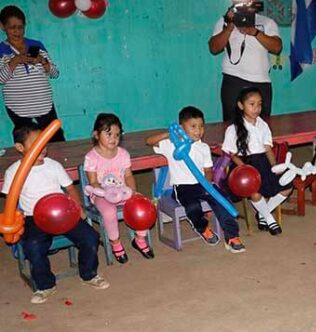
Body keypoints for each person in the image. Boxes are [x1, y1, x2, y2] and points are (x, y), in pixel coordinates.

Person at [3, 125, 109, 304]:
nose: (42, 147)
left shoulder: (54, 166)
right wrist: (11, 221)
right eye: (36, 143)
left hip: (63, 214)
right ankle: (45, 285)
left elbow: (69, 188)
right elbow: (11, 200)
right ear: (20, 148)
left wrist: (78, 207)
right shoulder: (13, 171)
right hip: (33, 217)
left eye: (44, 142)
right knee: (33, 246)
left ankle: (89, 274)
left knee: (90, 237)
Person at [147, 106, 246, 252]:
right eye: (193, 126)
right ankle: (202, 228)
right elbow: (149, 141)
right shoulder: (171, 145)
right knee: (193, 207)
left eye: (201, 126)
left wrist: (207, 183)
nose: (198, 130)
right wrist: (169, 134)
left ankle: (232, 236)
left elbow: (207, 170)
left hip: (202, 184)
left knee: (222, 200)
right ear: (182, 127)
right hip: (183, 187)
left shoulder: (204, 147)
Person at [84, 113, 154, 263]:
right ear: (96, 134)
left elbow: (128, 176)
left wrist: (133, 192)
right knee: (109, 212)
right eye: (108, 134)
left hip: (123, 191)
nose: (113, 138)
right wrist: (106, 193)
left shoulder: (123, 154)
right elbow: (93, 182)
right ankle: (115, 242)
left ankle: (139, 238)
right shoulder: (91, 157)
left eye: (116, 135)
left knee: (144, 205)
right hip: (102, 195)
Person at [208, 0, 282, 121]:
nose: (251, 3)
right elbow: (213, 48)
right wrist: (229, 27)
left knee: (262, 124)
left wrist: (255, 32)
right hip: (233, 79)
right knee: (231, 124)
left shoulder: (267, 23)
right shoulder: (224, 22)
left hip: (261, 81)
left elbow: (277, 47)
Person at [223, 87, 292, 232]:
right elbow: (232, 154)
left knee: (287, 187)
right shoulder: (233, 128)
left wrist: (274, 166)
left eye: (259, 104)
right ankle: (269, 219)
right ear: (241, 105)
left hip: (263, 162)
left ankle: (262, 213)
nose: (256, 108)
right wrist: (245, 169)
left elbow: (267, 148)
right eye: (252, 104)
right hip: (244, 165)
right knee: (254, 192)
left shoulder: (263, 124)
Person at [0, 5, 65, 142]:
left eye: (20, 27)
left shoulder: (37, 45)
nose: (17, 31)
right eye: (12, 27)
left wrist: (43, 62)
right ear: (2, 26)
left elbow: (55, 73)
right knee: (27, 143)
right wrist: (15, 61)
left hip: (44, 104)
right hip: (19, 107)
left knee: (56, 140)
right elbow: (1, 79)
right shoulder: (1, 50)